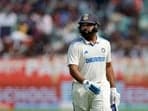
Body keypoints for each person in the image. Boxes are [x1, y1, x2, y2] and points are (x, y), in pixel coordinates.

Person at [67, 13, 120, 111]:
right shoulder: (75, 46)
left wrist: (113, 88)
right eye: (83, 25)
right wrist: (86, 82)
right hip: (81, 87)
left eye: (88, 25)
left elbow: (108, 67)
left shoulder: (105, 44)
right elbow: (72, 69)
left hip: (100, 86)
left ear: (96, 26)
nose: (85, 28)